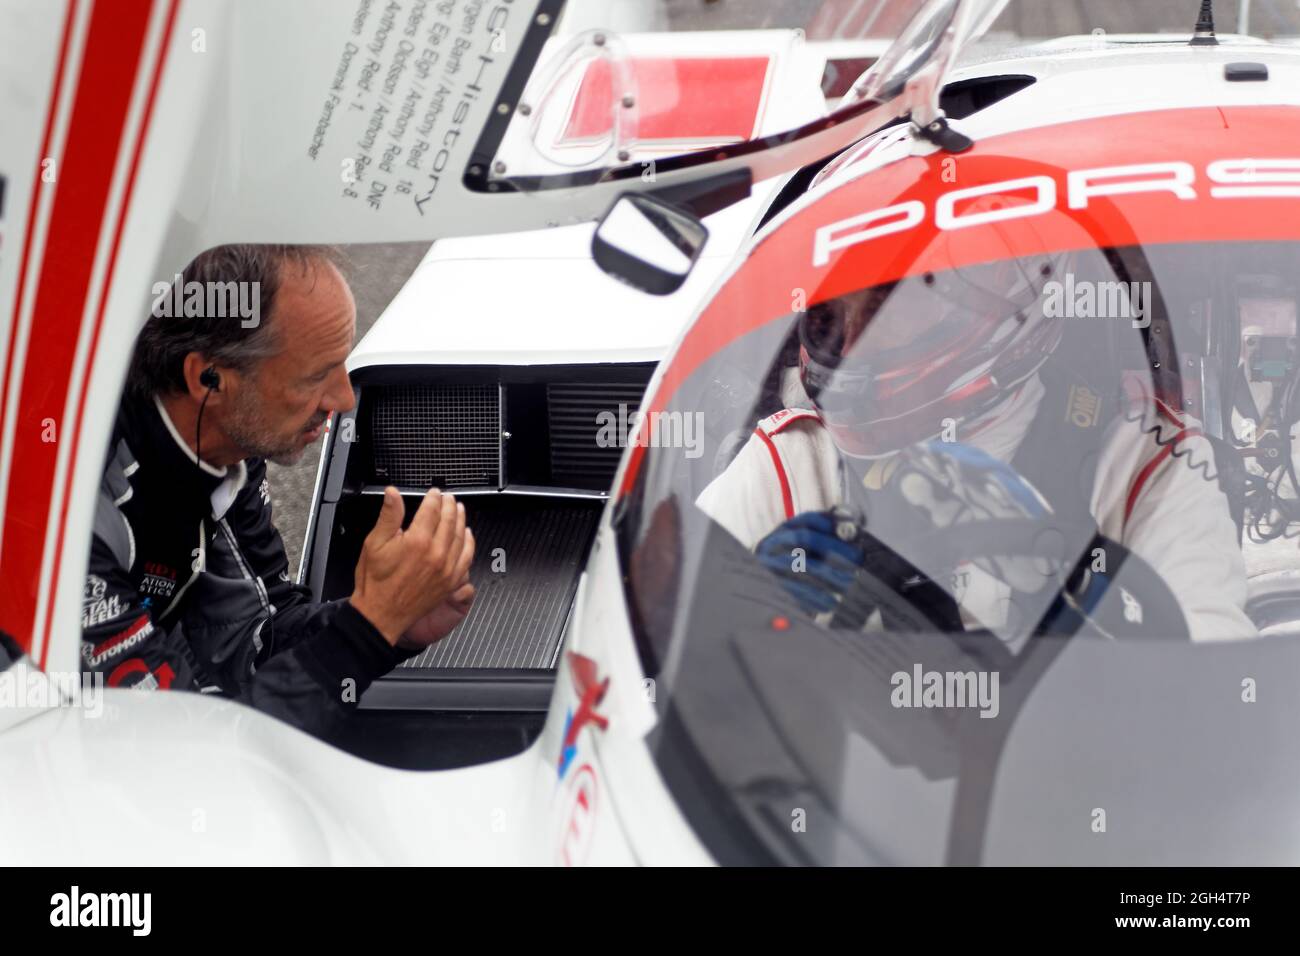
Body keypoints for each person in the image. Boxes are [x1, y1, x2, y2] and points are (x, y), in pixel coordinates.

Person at [697, 259, 1256, 642]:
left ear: (1002, 297)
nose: (854, 337)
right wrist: (758, 631)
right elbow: (659, 668)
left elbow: (1206, 707)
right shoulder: (791, 463)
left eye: (892, 303)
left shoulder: (1145, 468)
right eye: (837, 309)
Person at [82, 244, 475, 737]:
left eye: (342, 366)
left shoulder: (223, 442)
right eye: (315, 377)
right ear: (208, 378)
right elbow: (180, 761)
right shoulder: (69, 518)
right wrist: (366, 631)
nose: (343, 399)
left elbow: (251, 640)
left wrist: (389, 619)